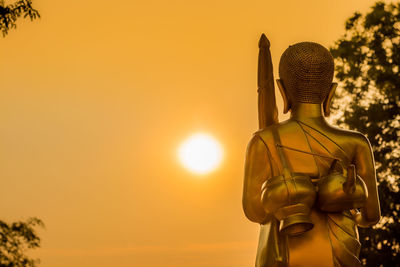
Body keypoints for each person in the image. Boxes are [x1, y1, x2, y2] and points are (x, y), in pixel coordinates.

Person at [242, 42, 381, 267]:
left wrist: (281, 194)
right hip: (340, 252)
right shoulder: (356, 143)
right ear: (331, 93)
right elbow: (371, 215)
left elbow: (255, 212)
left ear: (282, 91)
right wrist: (345, 206)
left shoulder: (264, 140)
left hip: (283, 255)